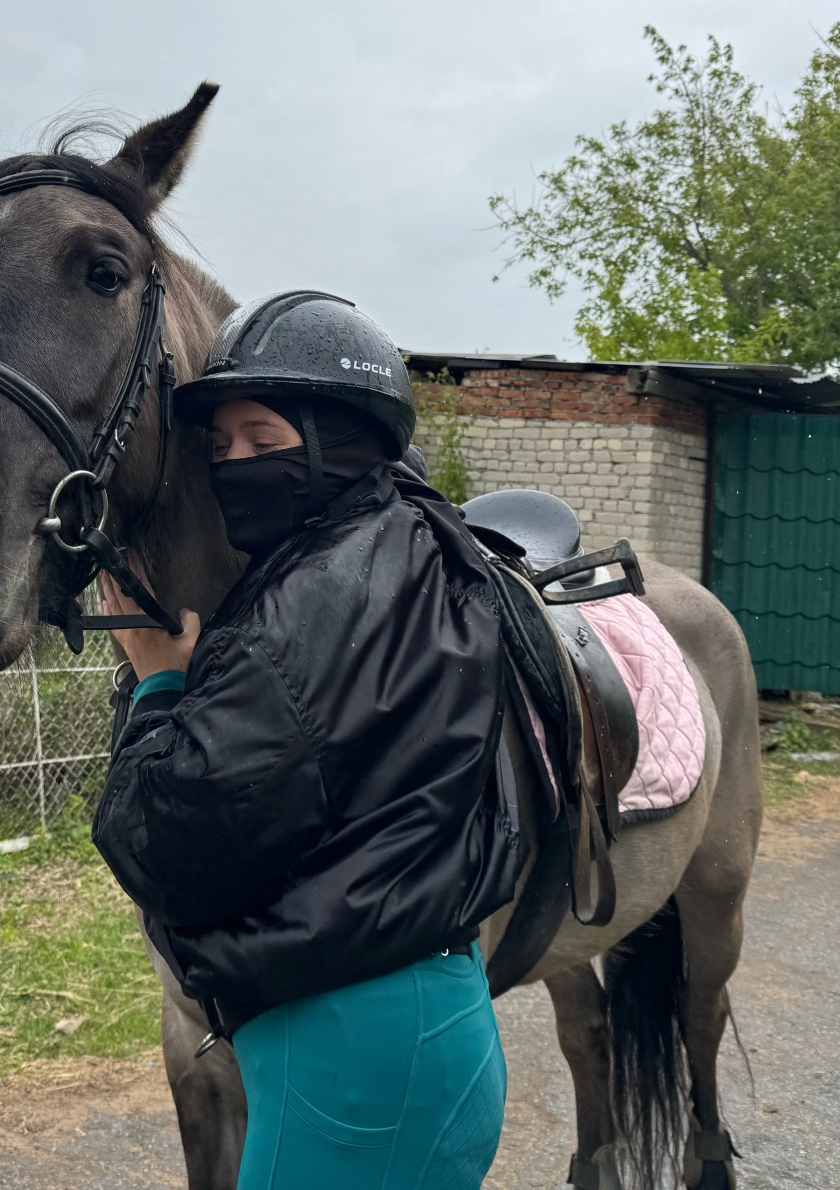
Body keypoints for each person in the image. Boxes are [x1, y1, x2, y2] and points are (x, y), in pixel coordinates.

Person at [92, 291, 524, 1190]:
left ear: (338, 438)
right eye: (220, 450)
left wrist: (159, 681)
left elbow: (169, 844)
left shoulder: (305, 607)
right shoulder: (412, 548)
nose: (235, 467)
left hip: (353, 1068)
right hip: (413, 1035)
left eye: (263, 440)